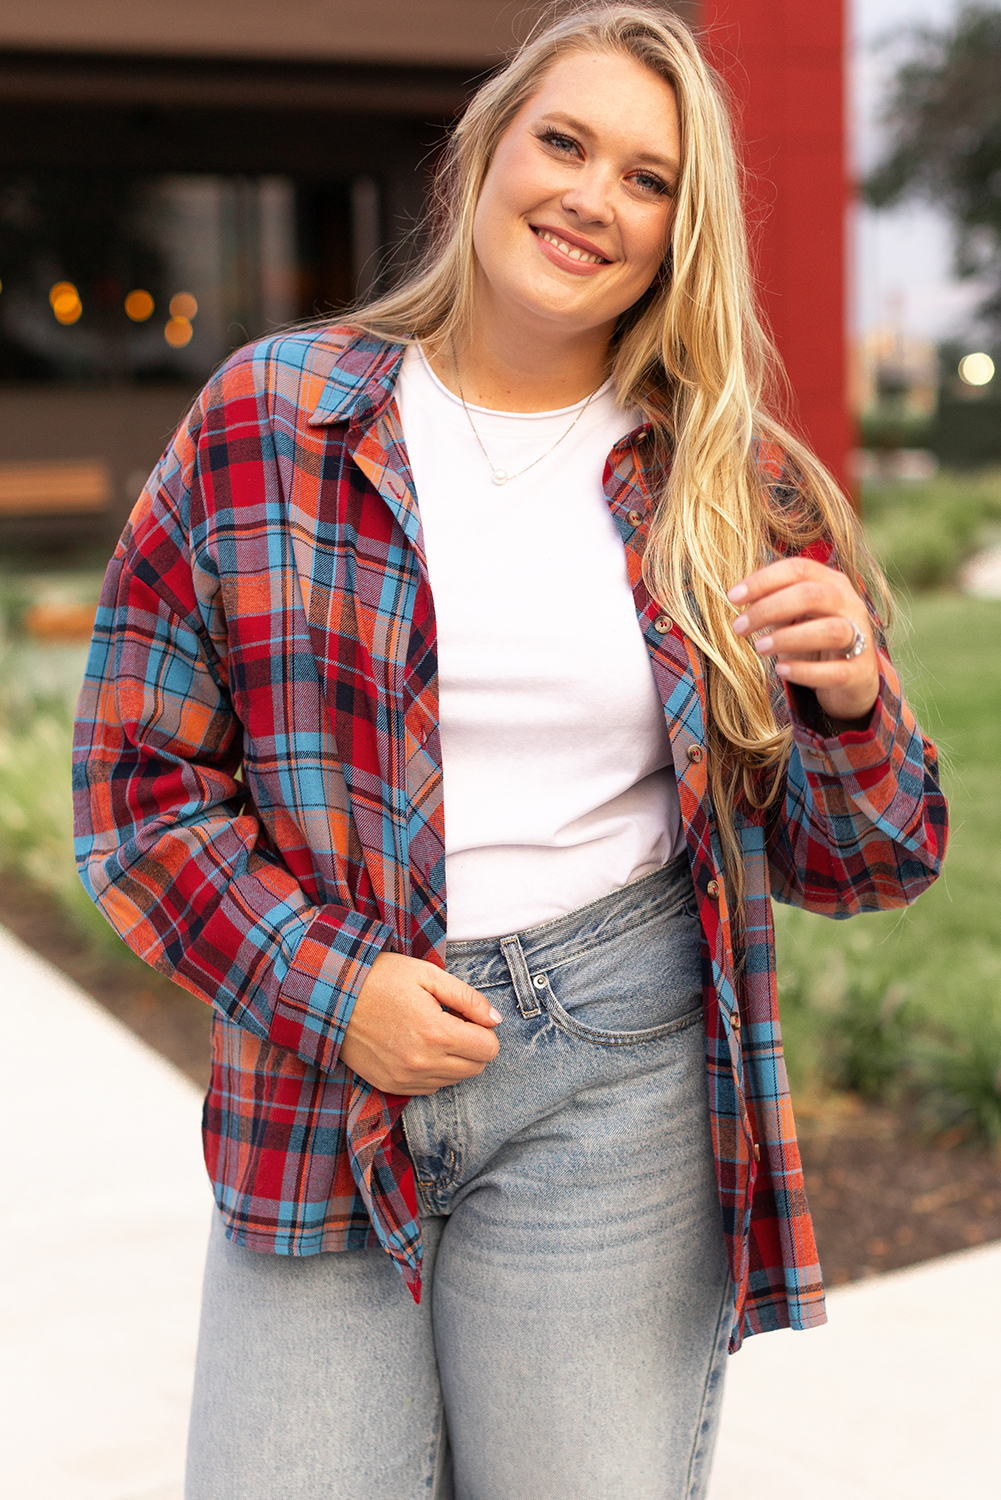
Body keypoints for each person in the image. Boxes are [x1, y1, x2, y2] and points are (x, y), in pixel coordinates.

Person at [73, 5, 948, 1497]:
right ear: (482, 153)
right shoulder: (268, 422)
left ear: (680, 233)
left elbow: (870, 859)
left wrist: (855, 704)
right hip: (322, 1072)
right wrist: (330, 989)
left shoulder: (730, 484)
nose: (592, 197)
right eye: (563, 141)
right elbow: (133, 796)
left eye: (648, 178)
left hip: (616, 1076)